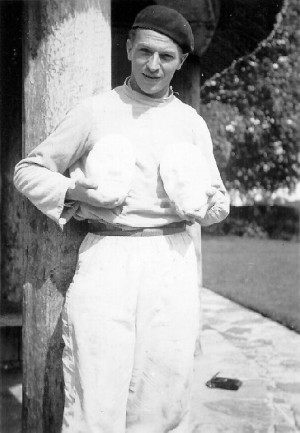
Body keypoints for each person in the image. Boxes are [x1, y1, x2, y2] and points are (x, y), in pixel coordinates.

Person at [14, 5, 230, 432]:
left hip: (172, 259)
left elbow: (219, 201)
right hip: (108, 256)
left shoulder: (190, 123)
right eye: (145, 51)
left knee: (165, 390)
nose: (153, 65)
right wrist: (71, 191)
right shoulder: (95, 111)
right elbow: (29, 170)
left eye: (166, 57)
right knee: (96, 390)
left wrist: (203, 206)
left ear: (181, 61)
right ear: (129, 47)